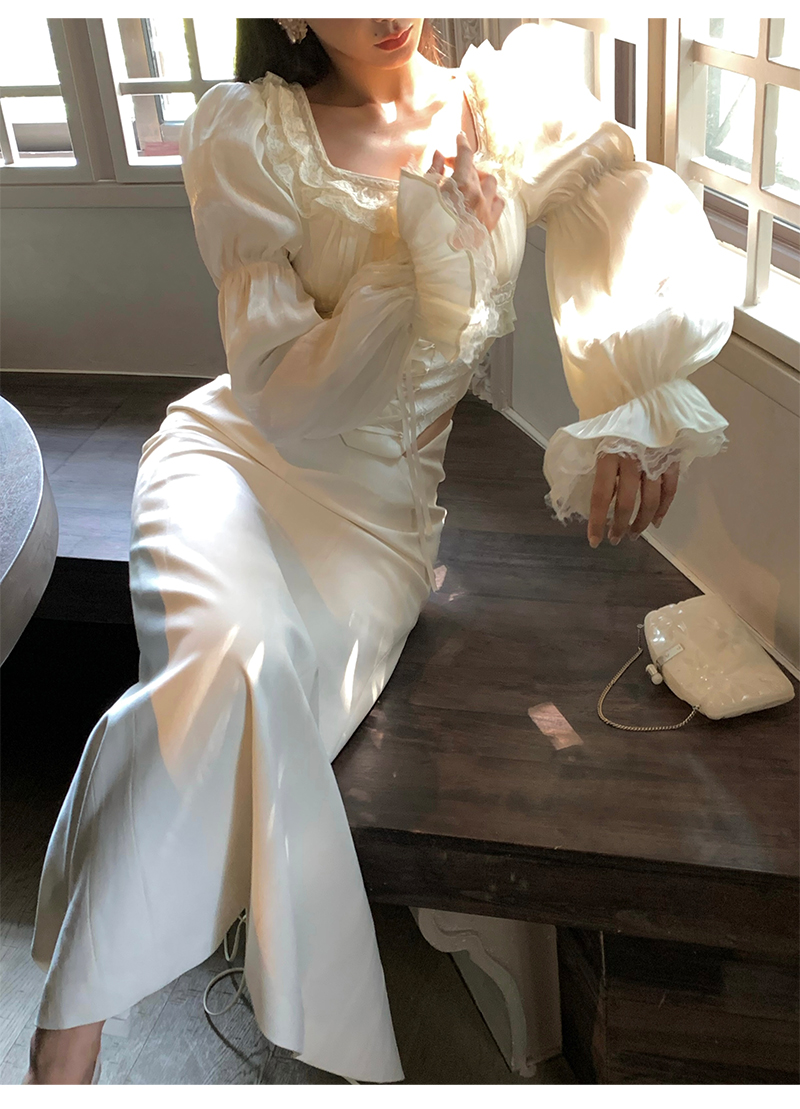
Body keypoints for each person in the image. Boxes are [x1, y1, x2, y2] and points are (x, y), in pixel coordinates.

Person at [24, 17, 733, 1085]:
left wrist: (640, 398)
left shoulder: (507, 106)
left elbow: (621, 205)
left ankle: (83, 1003)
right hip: (234, 460)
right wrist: (423, 254)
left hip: (375, 524)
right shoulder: (247, 133)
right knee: (224, 656)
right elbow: (282, 393)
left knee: (249, 685)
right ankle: (65, 1043)